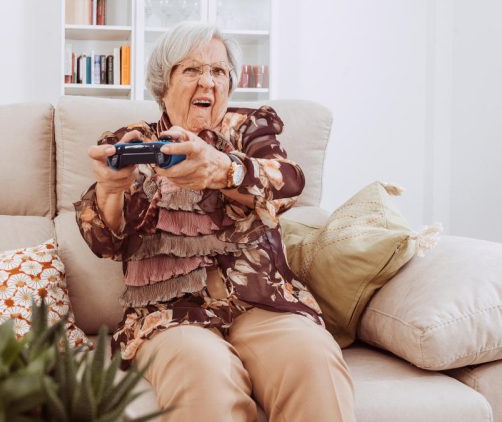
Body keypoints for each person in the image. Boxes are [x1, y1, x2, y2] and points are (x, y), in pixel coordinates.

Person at [75, 21, 356, 422]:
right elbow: (103, 241)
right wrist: (109, 190)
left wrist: (223, 169)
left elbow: (289, 182)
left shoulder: (249, 128)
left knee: (313, 361)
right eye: (191, 70)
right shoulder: (133, 141)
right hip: (172, 316)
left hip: (262, 303)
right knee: (203, 374)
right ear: (163, 82)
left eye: (218, 71)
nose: (207, 82)